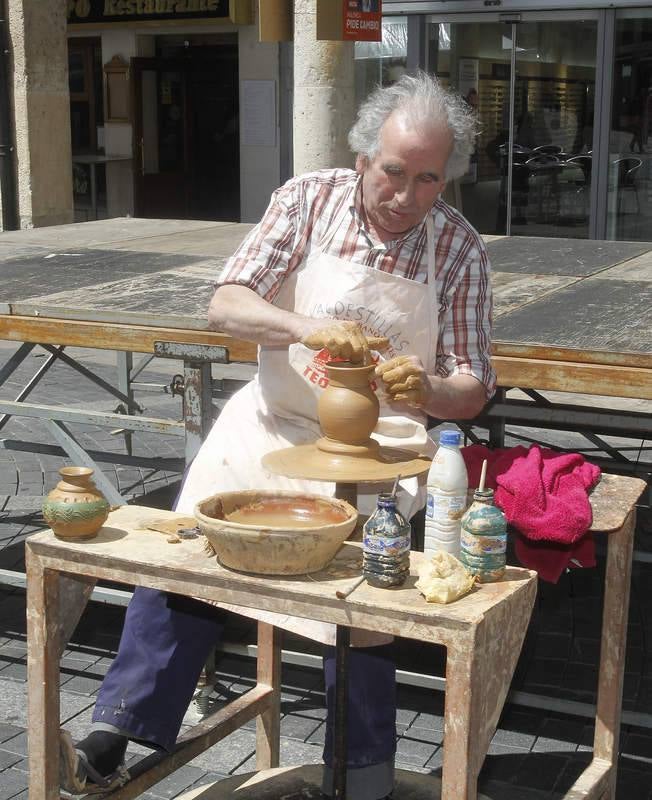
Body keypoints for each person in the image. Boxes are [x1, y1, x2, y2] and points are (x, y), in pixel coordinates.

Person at [59, 70, 495, 800]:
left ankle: (362, 776)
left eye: (429, 179)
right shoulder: (307, 200)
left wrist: (431, 387)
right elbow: (225, 306)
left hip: (381, 444)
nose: (408, 196)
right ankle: (117, 735)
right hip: (271, 420)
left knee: (364, 594)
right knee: (197, 551)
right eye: (394, 173)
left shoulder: (459, 249)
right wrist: (302, 326)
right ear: (363, 159)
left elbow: (472, 388)